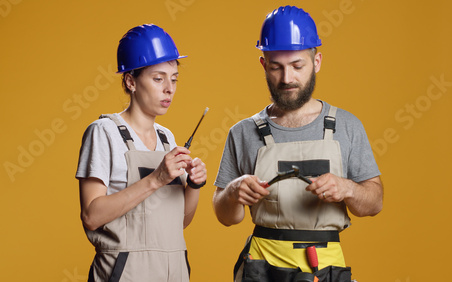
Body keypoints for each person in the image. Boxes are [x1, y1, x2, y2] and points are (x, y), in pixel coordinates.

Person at [212, 6, 383, 282]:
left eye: (297, 66)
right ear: (263, 65)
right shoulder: (242, 132)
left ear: (316, 62)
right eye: (276, 67)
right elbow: (226, 216)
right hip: (262, 268)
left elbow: (373, 203)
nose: (287, 78)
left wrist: (348, 188)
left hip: (325, 267)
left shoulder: (347, 126)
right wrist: (232, 192)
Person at [76, 24, 207, 282]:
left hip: (174, 272)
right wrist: (156, 179)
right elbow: (91, 217)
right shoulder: (104, 132)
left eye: (174, 78)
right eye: (158, 78)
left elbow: (178, 223)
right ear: (130, 81)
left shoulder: (167, 138)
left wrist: (194, 185)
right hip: (126, 273)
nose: (169, 88)